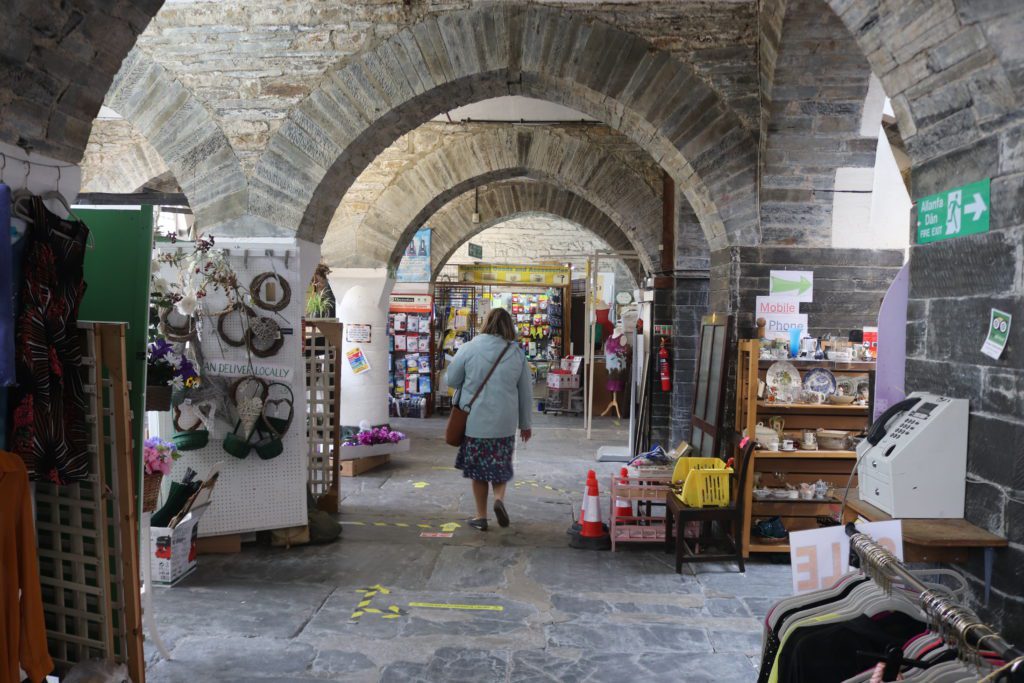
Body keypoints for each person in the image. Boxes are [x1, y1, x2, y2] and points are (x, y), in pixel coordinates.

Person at [445, 307, 532, 531]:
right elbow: (525, 392)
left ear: (485, 323)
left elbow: (452, 380)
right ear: (509, 326)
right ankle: (499, 500)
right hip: (504, 423)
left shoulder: (469, 348)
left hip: (475, 421)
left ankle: (481, 516)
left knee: (478, 471)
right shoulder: (516, 353)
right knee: (499, 466)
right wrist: (525, 424)